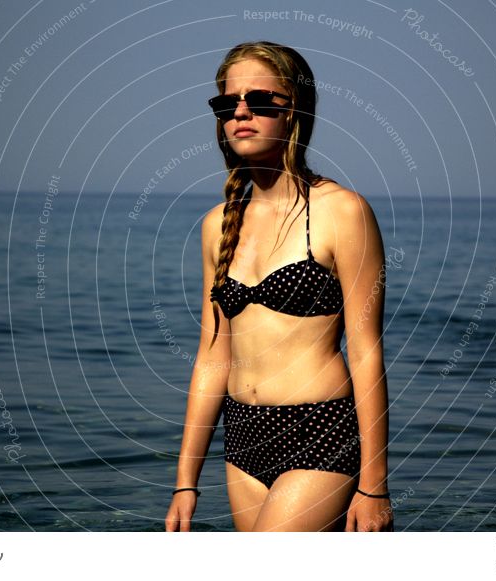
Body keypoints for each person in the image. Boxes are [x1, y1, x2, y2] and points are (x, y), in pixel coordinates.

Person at [165, 40, 391, 532]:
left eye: (262, 101)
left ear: (295, 113)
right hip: (242, 438)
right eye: (228, 104)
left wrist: (375, 485)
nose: (241, 112)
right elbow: (211, 356)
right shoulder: (217, 225)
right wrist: (186, 479)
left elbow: (367, 353)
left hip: (319, 433)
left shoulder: (342, 212)